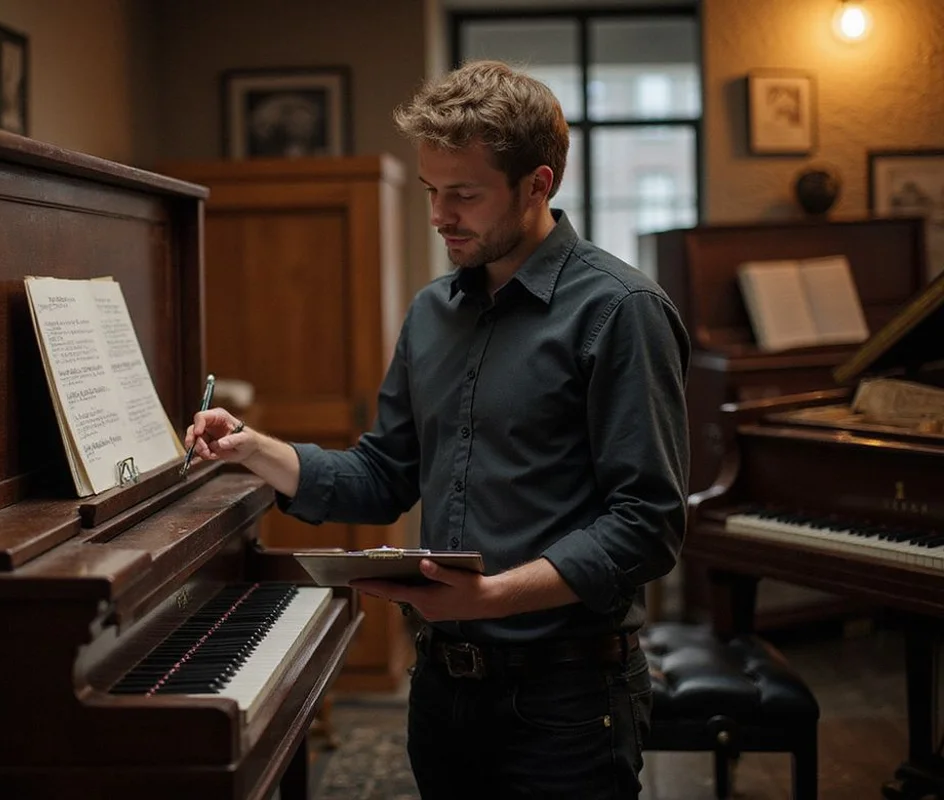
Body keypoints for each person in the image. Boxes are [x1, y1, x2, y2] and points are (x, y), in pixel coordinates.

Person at [184, 59, 690, 799]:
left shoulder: (620, 310)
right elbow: (382, 476)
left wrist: (493, 597)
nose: (439, 215)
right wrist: (254, 447)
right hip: (443, 695)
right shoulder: (431, 312)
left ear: (538, 185)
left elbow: (648, 523)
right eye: (431, 190)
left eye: (464, 194)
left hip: (568, 701)